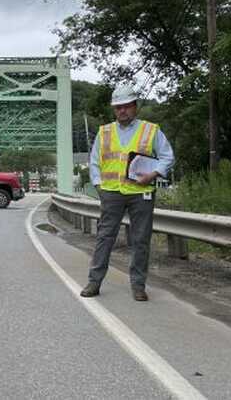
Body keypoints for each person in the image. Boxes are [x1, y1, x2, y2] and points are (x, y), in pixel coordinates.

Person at [80, 84, 174, 302]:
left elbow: (168, 157)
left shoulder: (151, 130)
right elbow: (94, 163)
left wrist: (153, 175)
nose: (122, 111)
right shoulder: (104, 132)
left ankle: (138, 286)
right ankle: (94, 282)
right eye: (118, 107)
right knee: (105, 237)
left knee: (140, 240)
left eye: (126, 106)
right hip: (111, 192)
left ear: (135, 106)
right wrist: (99, 186)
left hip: (141, 193)